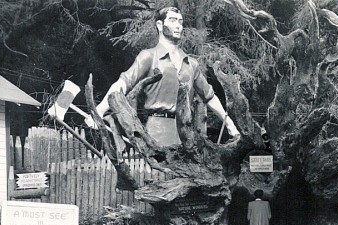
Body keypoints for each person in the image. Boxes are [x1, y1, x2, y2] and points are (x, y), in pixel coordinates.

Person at [85, 6, 240, 146]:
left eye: (180, 21)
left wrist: (230, 125)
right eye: (172, 21)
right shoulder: (148, 57)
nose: (178, 25)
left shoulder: (191, 64)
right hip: (157, 130)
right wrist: (98, 112)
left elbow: (209, 96)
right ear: (160, 25)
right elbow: (122, 84)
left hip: (186, 134)